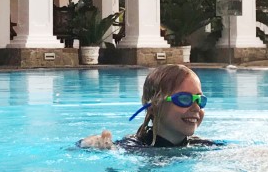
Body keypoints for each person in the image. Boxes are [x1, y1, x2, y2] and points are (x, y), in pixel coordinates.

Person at [78, 63, 216, 149]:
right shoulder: (133, 146)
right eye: (184, 99)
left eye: (200, 100)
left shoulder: (204, 146)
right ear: (153, 106)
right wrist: (92, 144)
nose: (196, 107)